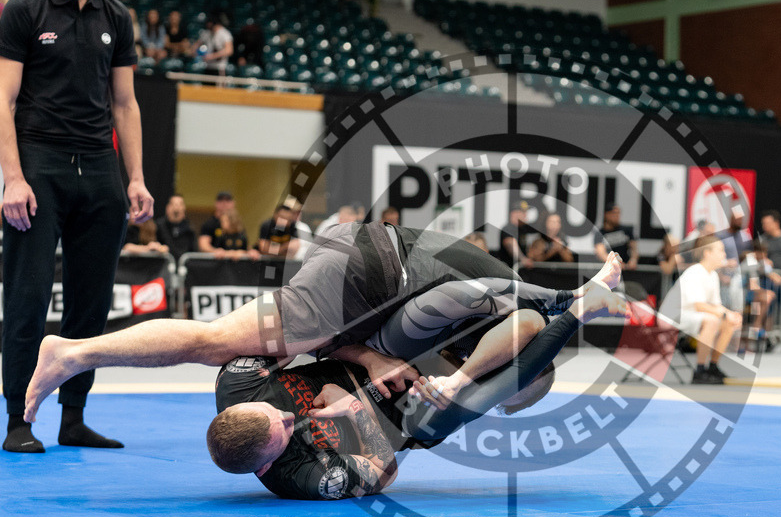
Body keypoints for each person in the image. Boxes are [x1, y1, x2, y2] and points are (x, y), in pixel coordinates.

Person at [23, 221, 624, 422]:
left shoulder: (459, 322)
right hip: (364, 275)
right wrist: (575, 298)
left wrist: (373, 361)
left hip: (362, 266)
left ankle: (76, 352)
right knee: (212, 343)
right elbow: (522, 320)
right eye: (507, 388)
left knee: (228, 345)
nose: (491, 388)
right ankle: (74, 353)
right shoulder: (502, 310)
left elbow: (360, 345)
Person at [207, 284, 628, 500]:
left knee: (529, 324)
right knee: (516, 371)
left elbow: (306, 335)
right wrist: (353, 410)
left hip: (381, 356)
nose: (287, 417)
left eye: (273, 412)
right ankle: (577, 312)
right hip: (405, 417)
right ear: (265, 466)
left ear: (240, 408)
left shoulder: (238, 382)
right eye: (282, 431)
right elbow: (385, 471)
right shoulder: (299, 478)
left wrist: (369, 360)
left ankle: (560, 305)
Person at [0, 0, 154, 453]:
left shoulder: (117, 15)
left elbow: (125, 105)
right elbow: (3, 100)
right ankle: (18, 421)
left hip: (99, 168)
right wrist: (14, 179)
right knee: (28, 299)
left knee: (90, 304)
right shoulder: (24, 9)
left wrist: (135, 177)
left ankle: (73, 418)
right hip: (39, 165)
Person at [676, 236, 741, 385]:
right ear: (707, 253)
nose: (724, 254)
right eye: (720, 250)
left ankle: (713, 366)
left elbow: (715, 305)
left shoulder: (712, 275)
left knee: (728, 322)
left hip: (693, 314)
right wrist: (725, 313)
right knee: (712, 320)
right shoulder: (695, 272)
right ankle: (699, 371)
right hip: (676, 316)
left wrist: (731, 315)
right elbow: (699, 306)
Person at [594, 203, 639, 270]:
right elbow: (601, 253)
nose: (617, 216)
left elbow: (634, 249)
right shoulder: (600, 233)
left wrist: (633, 260)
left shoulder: (626, 230)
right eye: (614, 213)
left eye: (618, 213)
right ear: (607, 214)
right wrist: (614, 263)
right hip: (609, 270)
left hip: (626, 268)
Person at [155, 194, 197, 262]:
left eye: (180, 204)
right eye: (173, 204)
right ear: (167, 208)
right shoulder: (158, 226)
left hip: (183, 266)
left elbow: (193, 251)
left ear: (184, 208)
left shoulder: (189, 229)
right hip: (163, 266)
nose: (176, 208)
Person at [499, 201, 535, 269]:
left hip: (520, 271)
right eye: (523, 212)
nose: (526, 215)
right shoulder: (508, 228)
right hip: (509, 270)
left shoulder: (523, 229)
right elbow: (510, 244)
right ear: (514, 213)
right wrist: (523, 259)